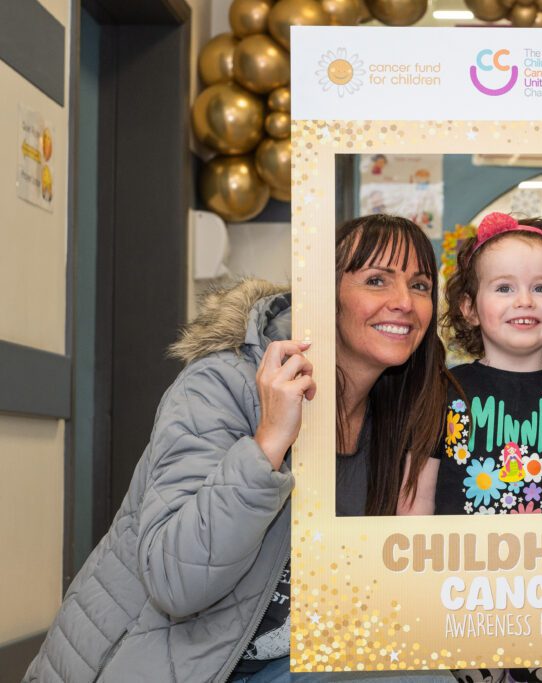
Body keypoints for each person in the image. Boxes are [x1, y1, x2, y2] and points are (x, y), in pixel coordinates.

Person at [25, 215, 450, 682]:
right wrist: (268, 441)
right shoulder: (221, 385)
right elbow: (177, 583)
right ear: (324, 294)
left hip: (297, 659)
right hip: (178, 665)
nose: (404, 303)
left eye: (421, 285)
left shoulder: (397, 416)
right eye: (376, 280)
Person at [401, 212, 542, 683]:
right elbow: (415, 501)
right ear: (469, 307)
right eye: (503, 288)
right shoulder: (441, 392)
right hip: (461, 593)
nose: (525, 300)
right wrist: (415, 590)